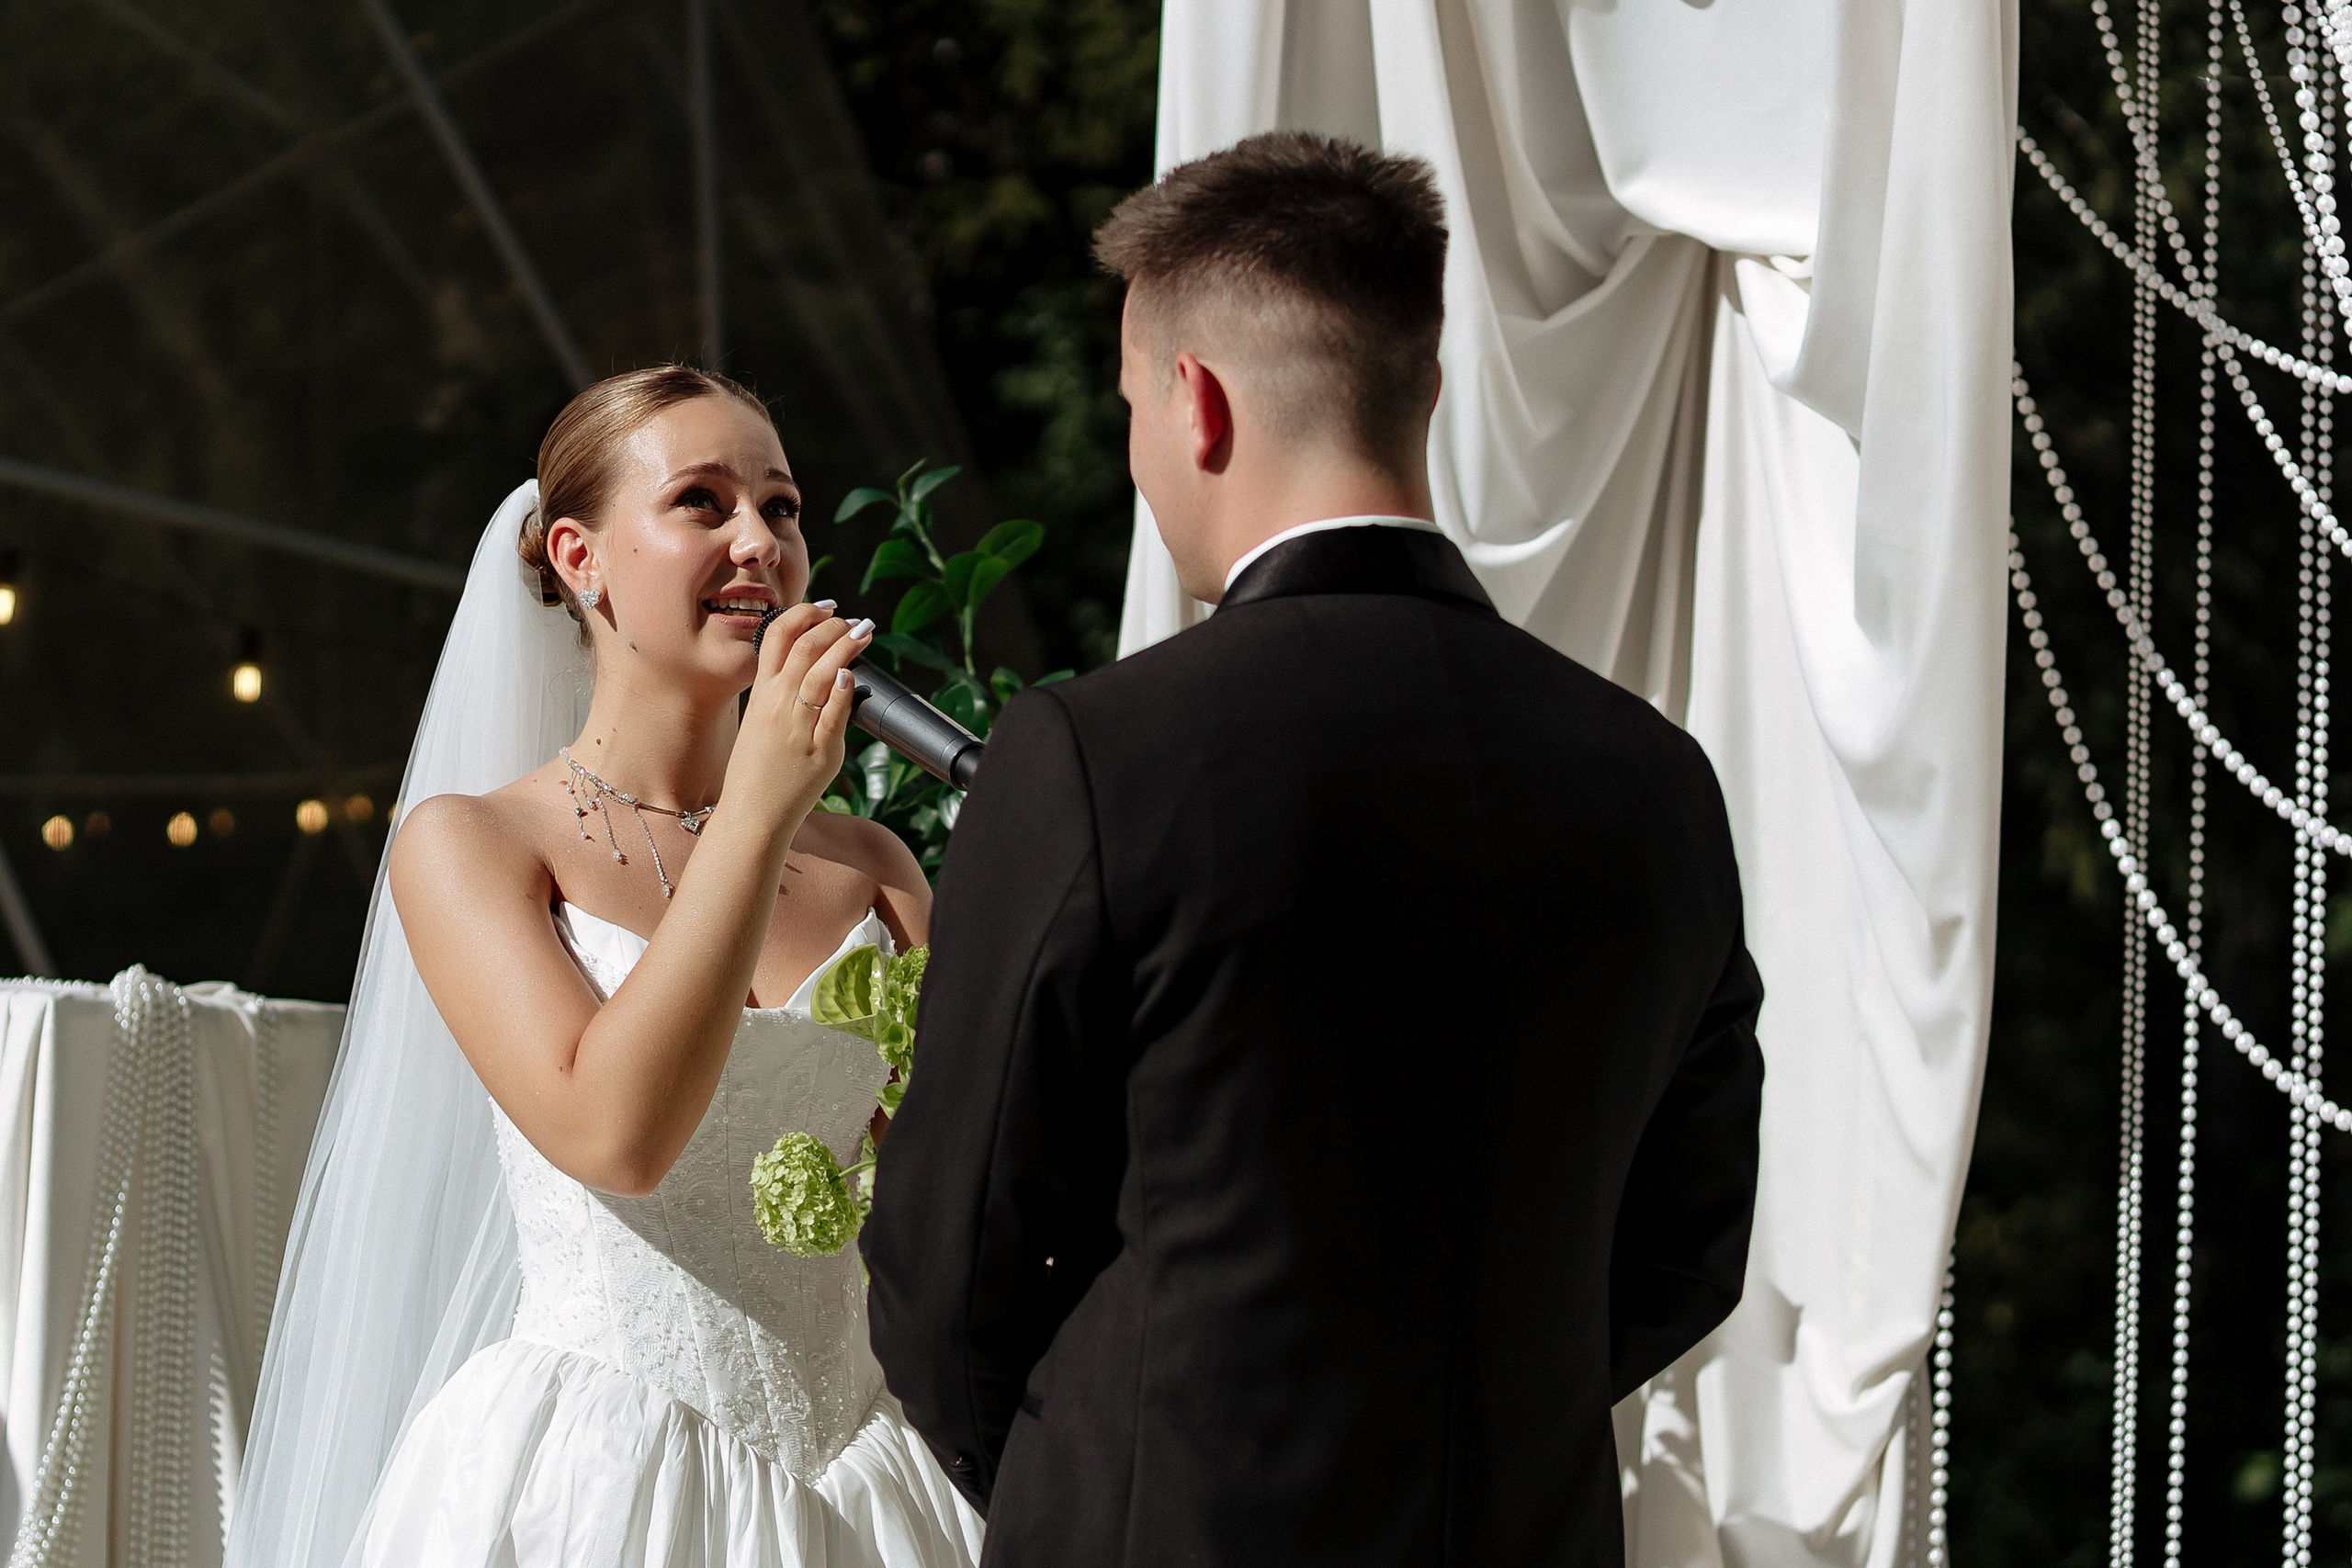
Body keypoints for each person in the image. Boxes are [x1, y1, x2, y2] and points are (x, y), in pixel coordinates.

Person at [860, 133, 1767, 1566]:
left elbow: (941, 1262)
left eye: (1130, 407)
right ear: (1432, 386)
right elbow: (1686, 1246)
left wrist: (1100, 1469)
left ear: (1195, 401)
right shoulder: (1654, 779)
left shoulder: (1100, 755)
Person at [226, 367, 982, 1568]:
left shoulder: (873, 865)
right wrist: (761, 812)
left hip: (872, 1480)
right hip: (605, 1483)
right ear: (579, 558)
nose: (761, 543)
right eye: (702, 501)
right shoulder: (475, 845)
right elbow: (617, 1138)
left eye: (781, 508)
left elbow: (969, 1190)